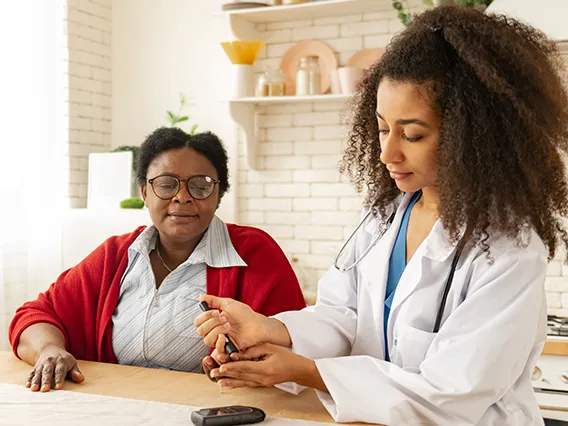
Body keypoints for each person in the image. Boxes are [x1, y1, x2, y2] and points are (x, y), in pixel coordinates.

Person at [194, 5, 568, 426]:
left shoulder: (509, 248)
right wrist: (268, 332)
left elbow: (452, 395)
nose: (387, 153)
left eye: (412, 134)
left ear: (475, 136)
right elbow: (343, 316)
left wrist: (303, 371)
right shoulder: (385, 217)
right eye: (382, 128)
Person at [8, 127, 306, 392]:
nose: (182, 197)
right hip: (122, 405)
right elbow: (34, 316)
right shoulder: (115, 255)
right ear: (144, 192)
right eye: (166, 184)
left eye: (200, 185)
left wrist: (239, 362)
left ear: (219, 194)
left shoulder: (254, 253)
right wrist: (49, 349)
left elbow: (297, 349)